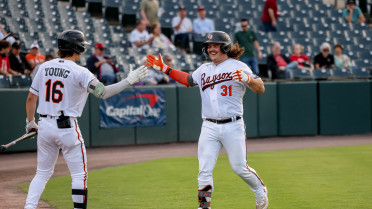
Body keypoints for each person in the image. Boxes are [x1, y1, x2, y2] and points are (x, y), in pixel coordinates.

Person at [24, 29, 148, 209]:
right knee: (79, 175)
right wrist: (128, 81)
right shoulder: (80, 71)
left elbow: (30, 98)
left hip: (44, 124)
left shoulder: (43, 67)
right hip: (66, 127)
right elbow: (103, 93)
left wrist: (30, 122)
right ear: (77, 48)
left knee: (42, 173)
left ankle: (29, 207)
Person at [146, 31, 268, 209]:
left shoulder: (238, 66)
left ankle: (259, 190)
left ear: (224, 47)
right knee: (204, 170)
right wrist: (166, 69)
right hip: (209, 125)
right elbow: (187, 80)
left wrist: (248, 79)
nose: (211, 49)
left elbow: (261, 88)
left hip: (233, 124)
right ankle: (204, 206)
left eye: (215, 45)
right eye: (208, 46)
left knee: (239, 167)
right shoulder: (204, 69)